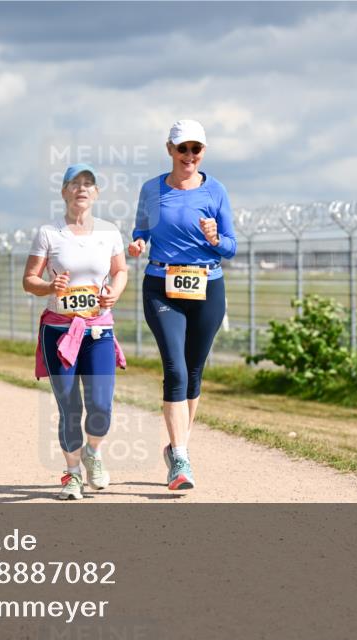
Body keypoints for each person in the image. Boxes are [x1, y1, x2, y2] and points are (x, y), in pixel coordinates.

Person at [128, 120, 237, 491]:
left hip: (208, 285)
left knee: (193, 372)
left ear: (203, 152)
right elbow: (141, 230)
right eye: (182, 148)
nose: (189, 155)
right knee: (174, 368)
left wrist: (215, 238)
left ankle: (178, 448)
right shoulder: (152, 190)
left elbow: (232, 246)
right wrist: (138, 244)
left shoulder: (216, 190)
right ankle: (180, 458)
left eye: (196, 149)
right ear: (169, 150)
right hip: (162, 284)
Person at [24, 164, 128, 500]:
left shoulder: (110, 232)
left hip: (98, 330)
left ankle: (92, 453)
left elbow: (120, 270)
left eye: (89, 184)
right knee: (70, 407)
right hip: (59, 331)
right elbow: (29, 280)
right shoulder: (49, 233)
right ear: (65, 192)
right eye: (75, 184)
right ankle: (71, 475)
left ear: (96, 193)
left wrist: (115, 290)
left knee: (101, 407)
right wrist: (48, 286)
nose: (82, 189)